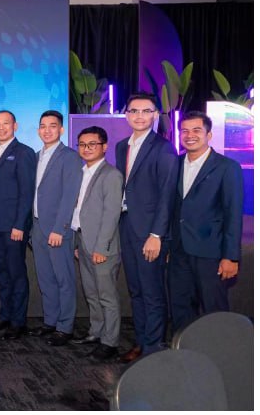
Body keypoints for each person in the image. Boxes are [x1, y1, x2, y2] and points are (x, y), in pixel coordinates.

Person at [115, 92, 178, 361]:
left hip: (150, 232)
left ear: (155, 115)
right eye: (134, 111)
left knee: (152, 292)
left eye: (146, 111)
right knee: (136, 290)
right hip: (127, 226)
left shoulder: (163, 148)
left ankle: (154, 350)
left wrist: (156, 235)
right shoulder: (121, 146)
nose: (139, 116)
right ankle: (141, 342)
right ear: (126, 115)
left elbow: (167, 195)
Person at [169, 111, 242, 331]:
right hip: (179, 251)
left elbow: (233, 214)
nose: (189, 135)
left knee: (214, 310)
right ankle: (185, 349)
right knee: (180, 307)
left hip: (211, 253)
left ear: (208, 135)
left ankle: (219, 350)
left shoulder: (227, 167)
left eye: (196, 130)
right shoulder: (174, 164)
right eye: (184, 131)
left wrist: (230, 256)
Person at [28, 110, 83, 346]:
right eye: (43, 126)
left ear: (61, 129)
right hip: (37, 226)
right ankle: (50, 322)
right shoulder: (35, 156)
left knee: (64, 279)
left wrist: (60, 228)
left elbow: (70, 196)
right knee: (46, 279)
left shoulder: (69, 157)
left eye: (52, 126)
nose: (47, 130)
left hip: (57, 229)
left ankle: (65, 326)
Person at [0, 110, 36, 341]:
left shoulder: (24, 152)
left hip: (13, 227)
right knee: (2, 274)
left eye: (6, 123)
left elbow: (26, 193)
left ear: (15, 125)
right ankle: (5, 315)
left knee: (16, 274)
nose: (1, 127)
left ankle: (18, 322)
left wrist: (20, 225)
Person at [70, 127, 123, 361]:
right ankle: (96, 331)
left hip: (102, 247)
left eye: (92, 144)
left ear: (104, 147)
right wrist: (77, 242)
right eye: (82, 144)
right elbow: (79, 211)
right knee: (91, 293)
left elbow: (111, 215)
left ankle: (110, 342)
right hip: (83, 240)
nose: (87, 148)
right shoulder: (82, 172)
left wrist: (101, 248)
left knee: (106, 296)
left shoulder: (111, 175)